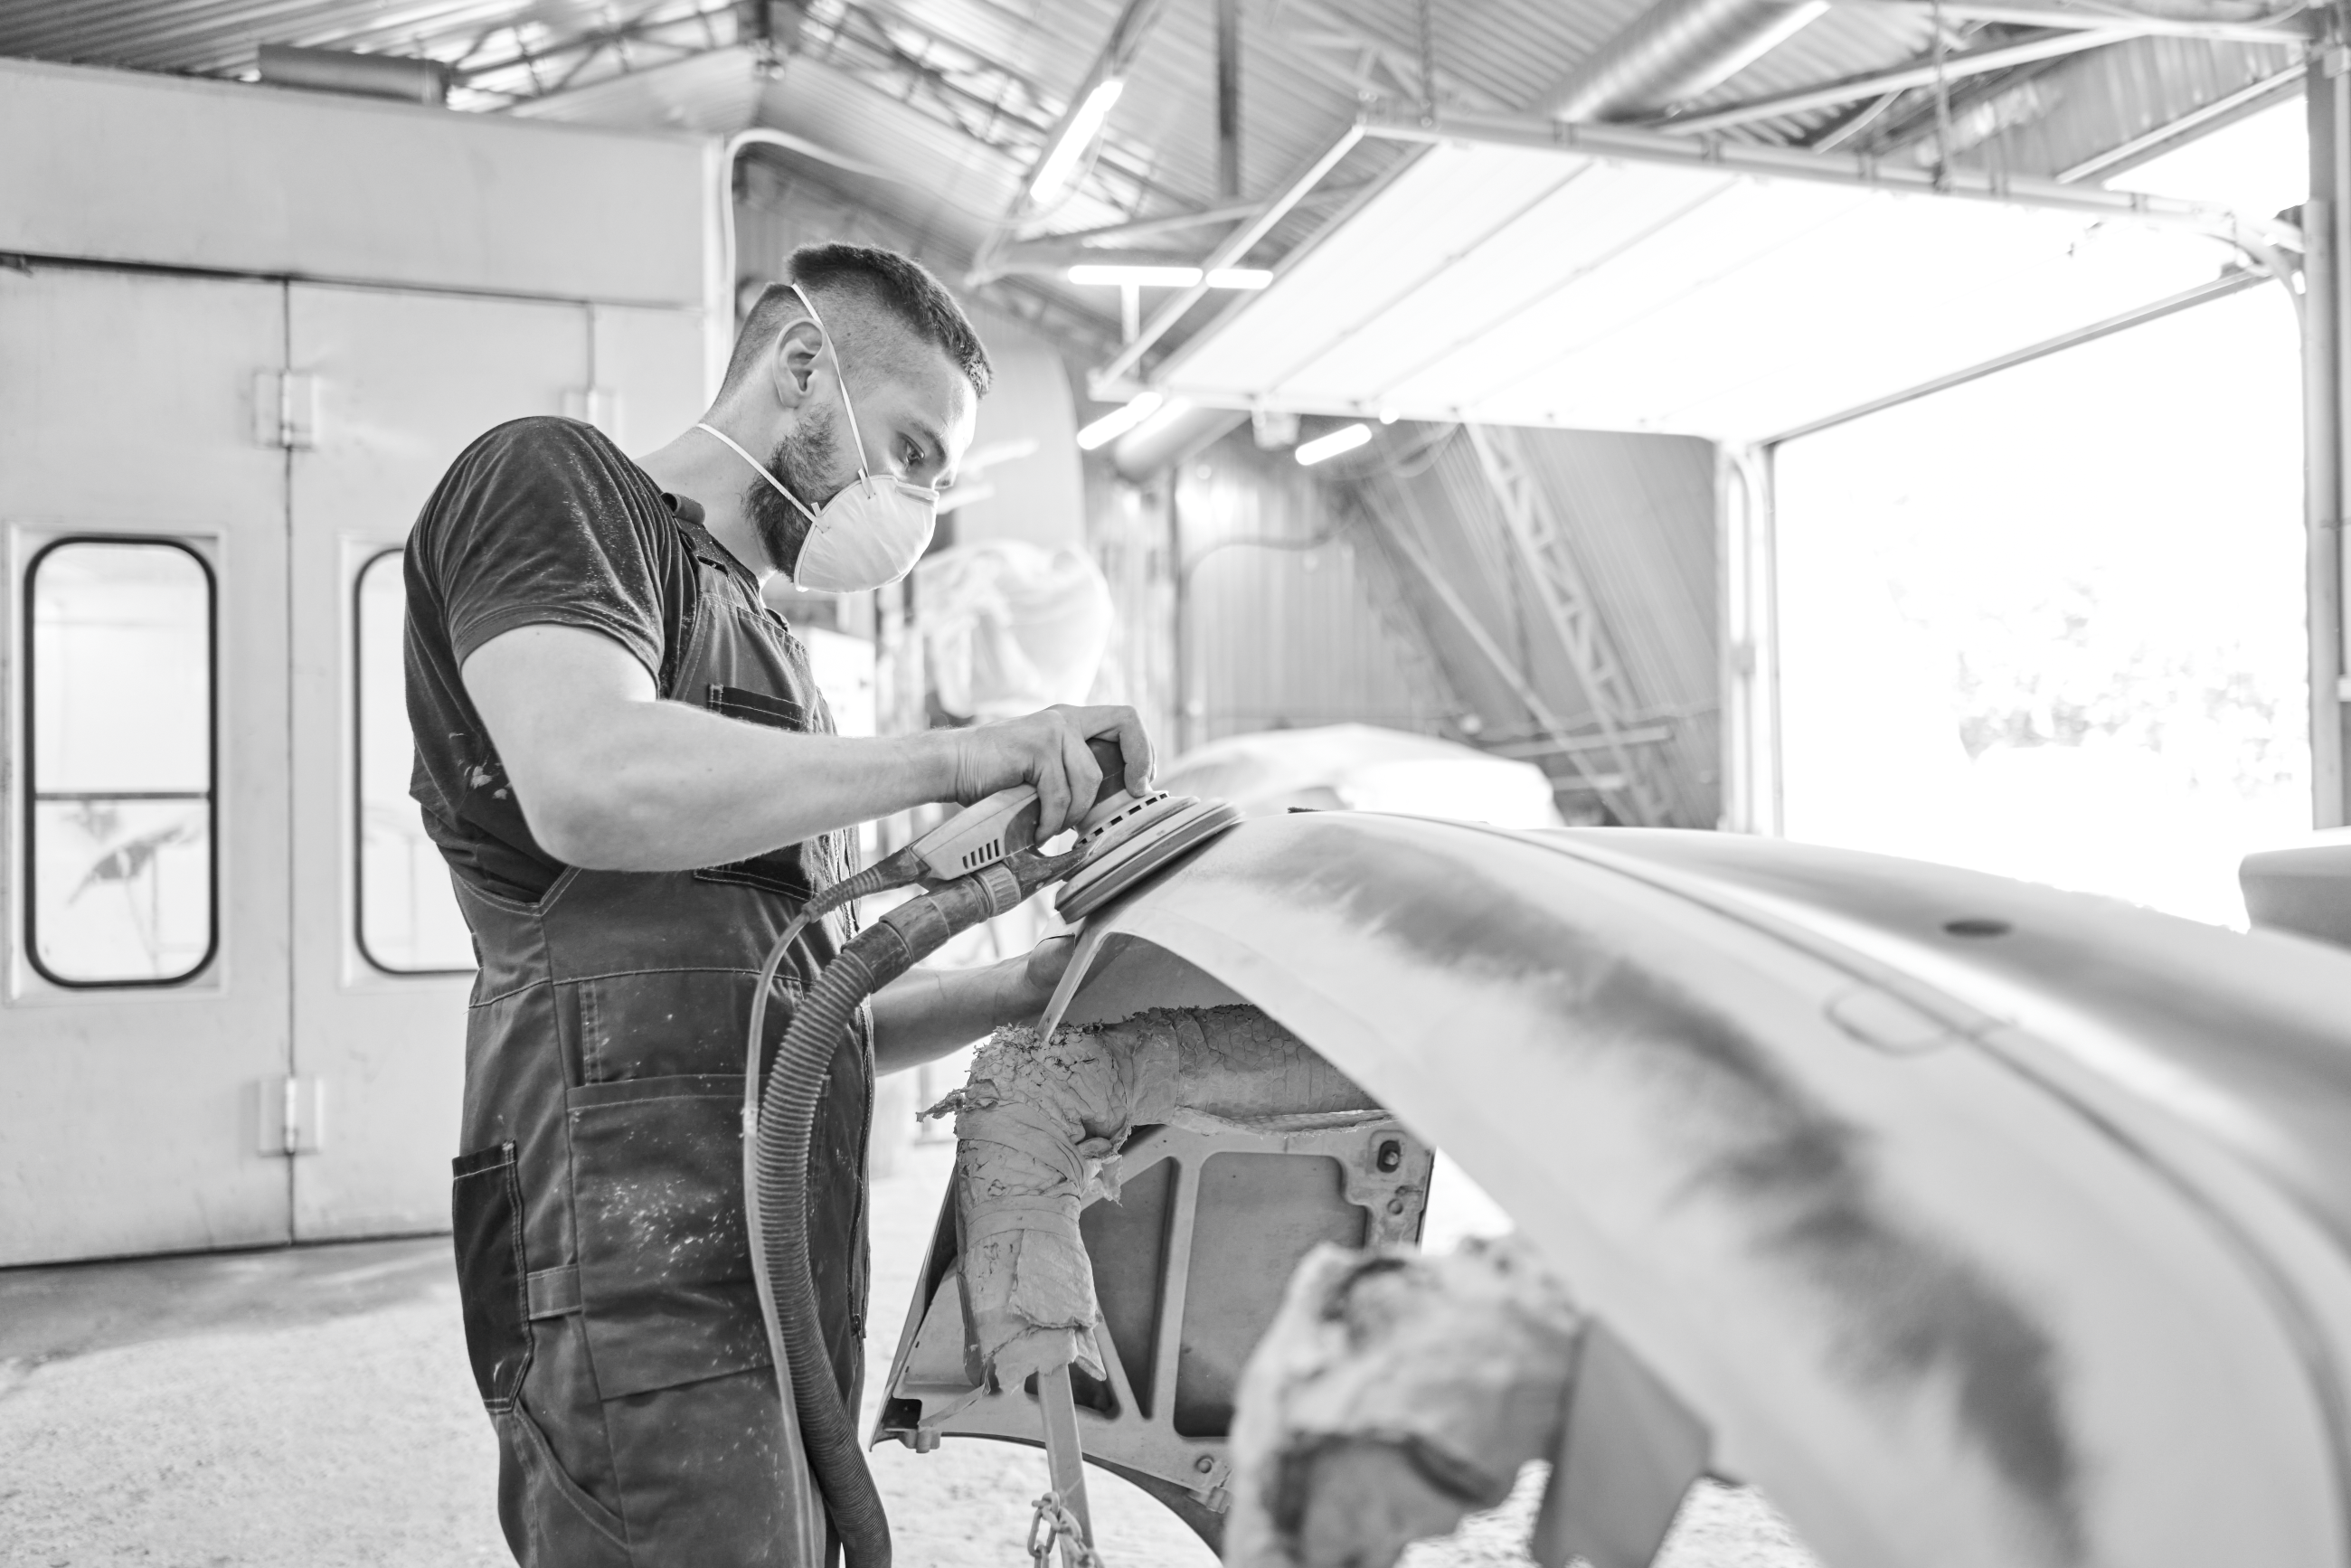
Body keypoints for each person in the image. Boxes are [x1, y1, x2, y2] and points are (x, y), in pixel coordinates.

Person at [403, 241, 1153, 1568]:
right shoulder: (560, 488)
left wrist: (1036, 985)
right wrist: (959, 755)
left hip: (776, 1278)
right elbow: (586, 778)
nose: (917, 506)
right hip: (626, 1273)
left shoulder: (778, 660)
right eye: (911, 451)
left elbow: (805, 1022)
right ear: (804, 367)